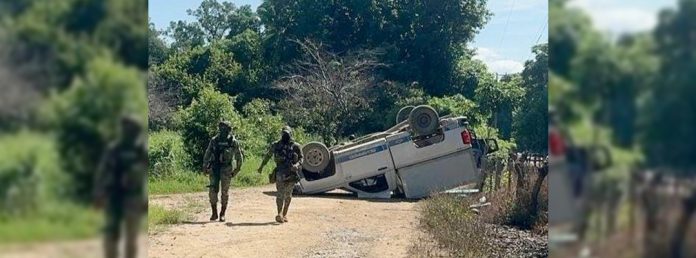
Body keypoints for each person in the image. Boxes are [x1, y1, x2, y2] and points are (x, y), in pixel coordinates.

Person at [94, 115, 147, 258]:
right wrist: (99, 194)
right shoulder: (114, 149)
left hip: (133, 198)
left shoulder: (140, 151)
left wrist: (144, 199)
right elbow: (103, 173)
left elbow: (143, 177)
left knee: (131, 238)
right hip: (114, 197)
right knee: (111, 236)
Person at [257, 126, 304, 223]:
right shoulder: (276, 145)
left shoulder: (296, 146)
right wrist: (261, 166)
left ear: (291, 134)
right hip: (280, 172)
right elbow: (268, 155)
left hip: (291, 173)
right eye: (284, 134)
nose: (285, 135)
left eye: (287, 134)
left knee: (288, 194)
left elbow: (301, 158)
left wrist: (297, 165)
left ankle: (285, 213)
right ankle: (279, 213)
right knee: (280, 194)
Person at [203, 120, 243, 222]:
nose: (222, 130)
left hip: (226, 169)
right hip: (215, 168)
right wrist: (205, 166)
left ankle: (222, 213)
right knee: (212, 191)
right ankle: (214, 213)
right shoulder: (214, 140)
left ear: (229, 130)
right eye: (221, 128)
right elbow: (207, 153)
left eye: (225, 128)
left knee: (224, 192)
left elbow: (239, 157)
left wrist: (237, 170)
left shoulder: (233, 142)